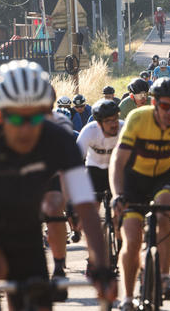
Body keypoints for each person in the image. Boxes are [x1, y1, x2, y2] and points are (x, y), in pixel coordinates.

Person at [0, 61, 115, 311]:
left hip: (25, 231)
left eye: (37, 116)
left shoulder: (58, 139)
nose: (27, 127)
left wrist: (102, 267)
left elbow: (87, 209)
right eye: (16, 117)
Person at [110, 78, 170, 311]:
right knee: (132, 239)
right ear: (154, 103)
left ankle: (165, 276)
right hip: (133, 180)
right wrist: (117, 195)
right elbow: (117, 162)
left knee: (166, 212)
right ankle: (128, 298)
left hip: (162, 176)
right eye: (165, 107)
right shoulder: (138, 118)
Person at [76, 99, 122, 272]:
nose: (113, 124)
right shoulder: (89, 131)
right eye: (108, 121)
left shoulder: (124, 128)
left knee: (120, 213)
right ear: (99, 123)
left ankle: (121, 245)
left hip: (116, 171)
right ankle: (92, 256)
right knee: (90, 214)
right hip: (94, 170)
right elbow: (75, 159)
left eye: (115, 119)